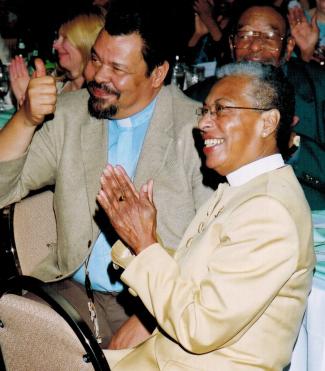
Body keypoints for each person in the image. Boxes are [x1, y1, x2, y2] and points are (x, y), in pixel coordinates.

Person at [0, 0, 213, 348]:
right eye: (97, 59)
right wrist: (25, 120)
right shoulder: (71, 114)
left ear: (158, 73)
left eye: (117, 68)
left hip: (162, 303)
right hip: (74, 290)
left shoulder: (197, 132)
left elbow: (214, 247)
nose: (98, 76)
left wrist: (149, 319)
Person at [97, 61, 315, 370]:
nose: (203, 124)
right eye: (205, 111)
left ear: (268, 123)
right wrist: (138, 239)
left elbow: (199, 327)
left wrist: (145, 245)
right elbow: (195, 279)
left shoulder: (270, 211)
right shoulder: (242, 188)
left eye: (222, 110)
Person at [185, 1, 325, 368]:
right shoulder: (203, 96)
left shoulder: (316, 86)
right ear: (231, 44)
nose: (254, 46)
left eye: (267, 37)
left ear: (288, 47)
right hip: (229, 229)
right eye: (245, 35)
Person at [8, 6, 104, 106]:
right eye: (58, 37)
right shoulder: (55, 84)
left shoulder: (97, 99)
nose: (55, 45)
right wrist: (25, 102)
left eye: (65, 38)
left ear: (85, 43)